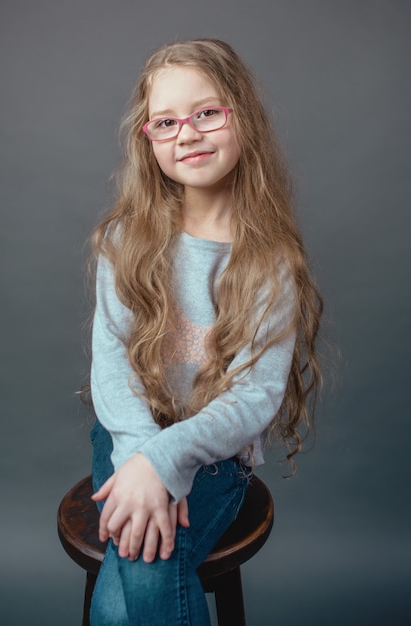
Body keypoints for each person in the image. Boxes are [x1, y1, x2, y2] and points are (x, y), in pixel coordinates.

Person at [88, 38, 322, 625]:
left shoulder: (267, 260)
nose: (186, 134)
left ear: (241, 112)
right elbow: (111, 362)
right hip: (126, 434)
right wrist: (141, 458)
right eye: (165, 122)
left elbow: (255, 397)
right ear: (148, 139)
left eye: (206, 112)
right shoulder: (127, 239)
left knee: (127, 600)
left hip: (214, 456)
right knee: (141, 573)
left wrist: (168, 460)